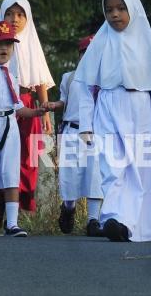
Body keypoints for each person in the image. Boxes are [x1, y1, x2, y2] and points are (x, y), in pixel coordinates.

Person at [74, 0, 151, 243]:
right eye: (109, 10)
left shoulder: (146, 42)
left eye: (121, 8)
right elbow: (85, 85)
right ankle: (115, 219)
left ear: (133, 9)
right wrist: (86, 125)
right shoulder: (101, 41)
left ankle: (136, 226)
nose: (115, 14)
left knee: (140, 170)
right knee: (111, 167)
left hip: (140, 109)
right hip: (107, 107)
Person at [0, 21, 47, 237]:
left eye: (8, 44)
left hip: (9, 125)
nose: (4, 48)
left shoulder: (12, 74)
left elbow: (18, 107)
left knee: (10, 172)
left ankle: (12, 223)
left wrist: (36, 112)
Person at [0, 0, 54, 224]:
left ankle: (19, 209)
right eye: (9, 14)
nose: (14, 19)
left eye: (19, 14)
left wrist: (44, 112)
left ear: (27, 17)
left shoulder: (31, 43)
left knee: (27, 158)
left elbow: (40, 80)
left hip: (27, 103)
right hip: (1, 107)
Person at [42, 35, 104, 236]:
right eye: (85, 53)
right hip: (71, 130)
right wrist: (54, 105)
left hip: (95, 134)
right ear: (79, 55)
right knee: (70, 176)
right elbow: (64, 101)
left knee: (95, 175)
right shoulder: (70, 77)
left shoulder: (105, 81)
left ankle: (93, 220)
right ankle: (68, 208)